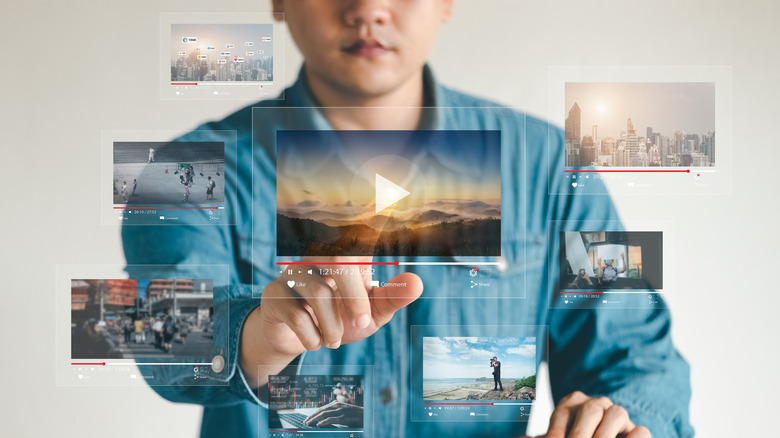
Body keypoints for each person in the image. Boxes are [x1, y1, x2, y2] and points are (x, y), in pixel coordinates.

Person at [122, 2, 692, 437]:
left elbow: (639, 351)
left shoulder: (552, 166)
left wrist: (619, 420)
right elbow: (154, 336)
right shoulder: (177, 170)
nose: (368, 8)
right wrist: (253, 335)